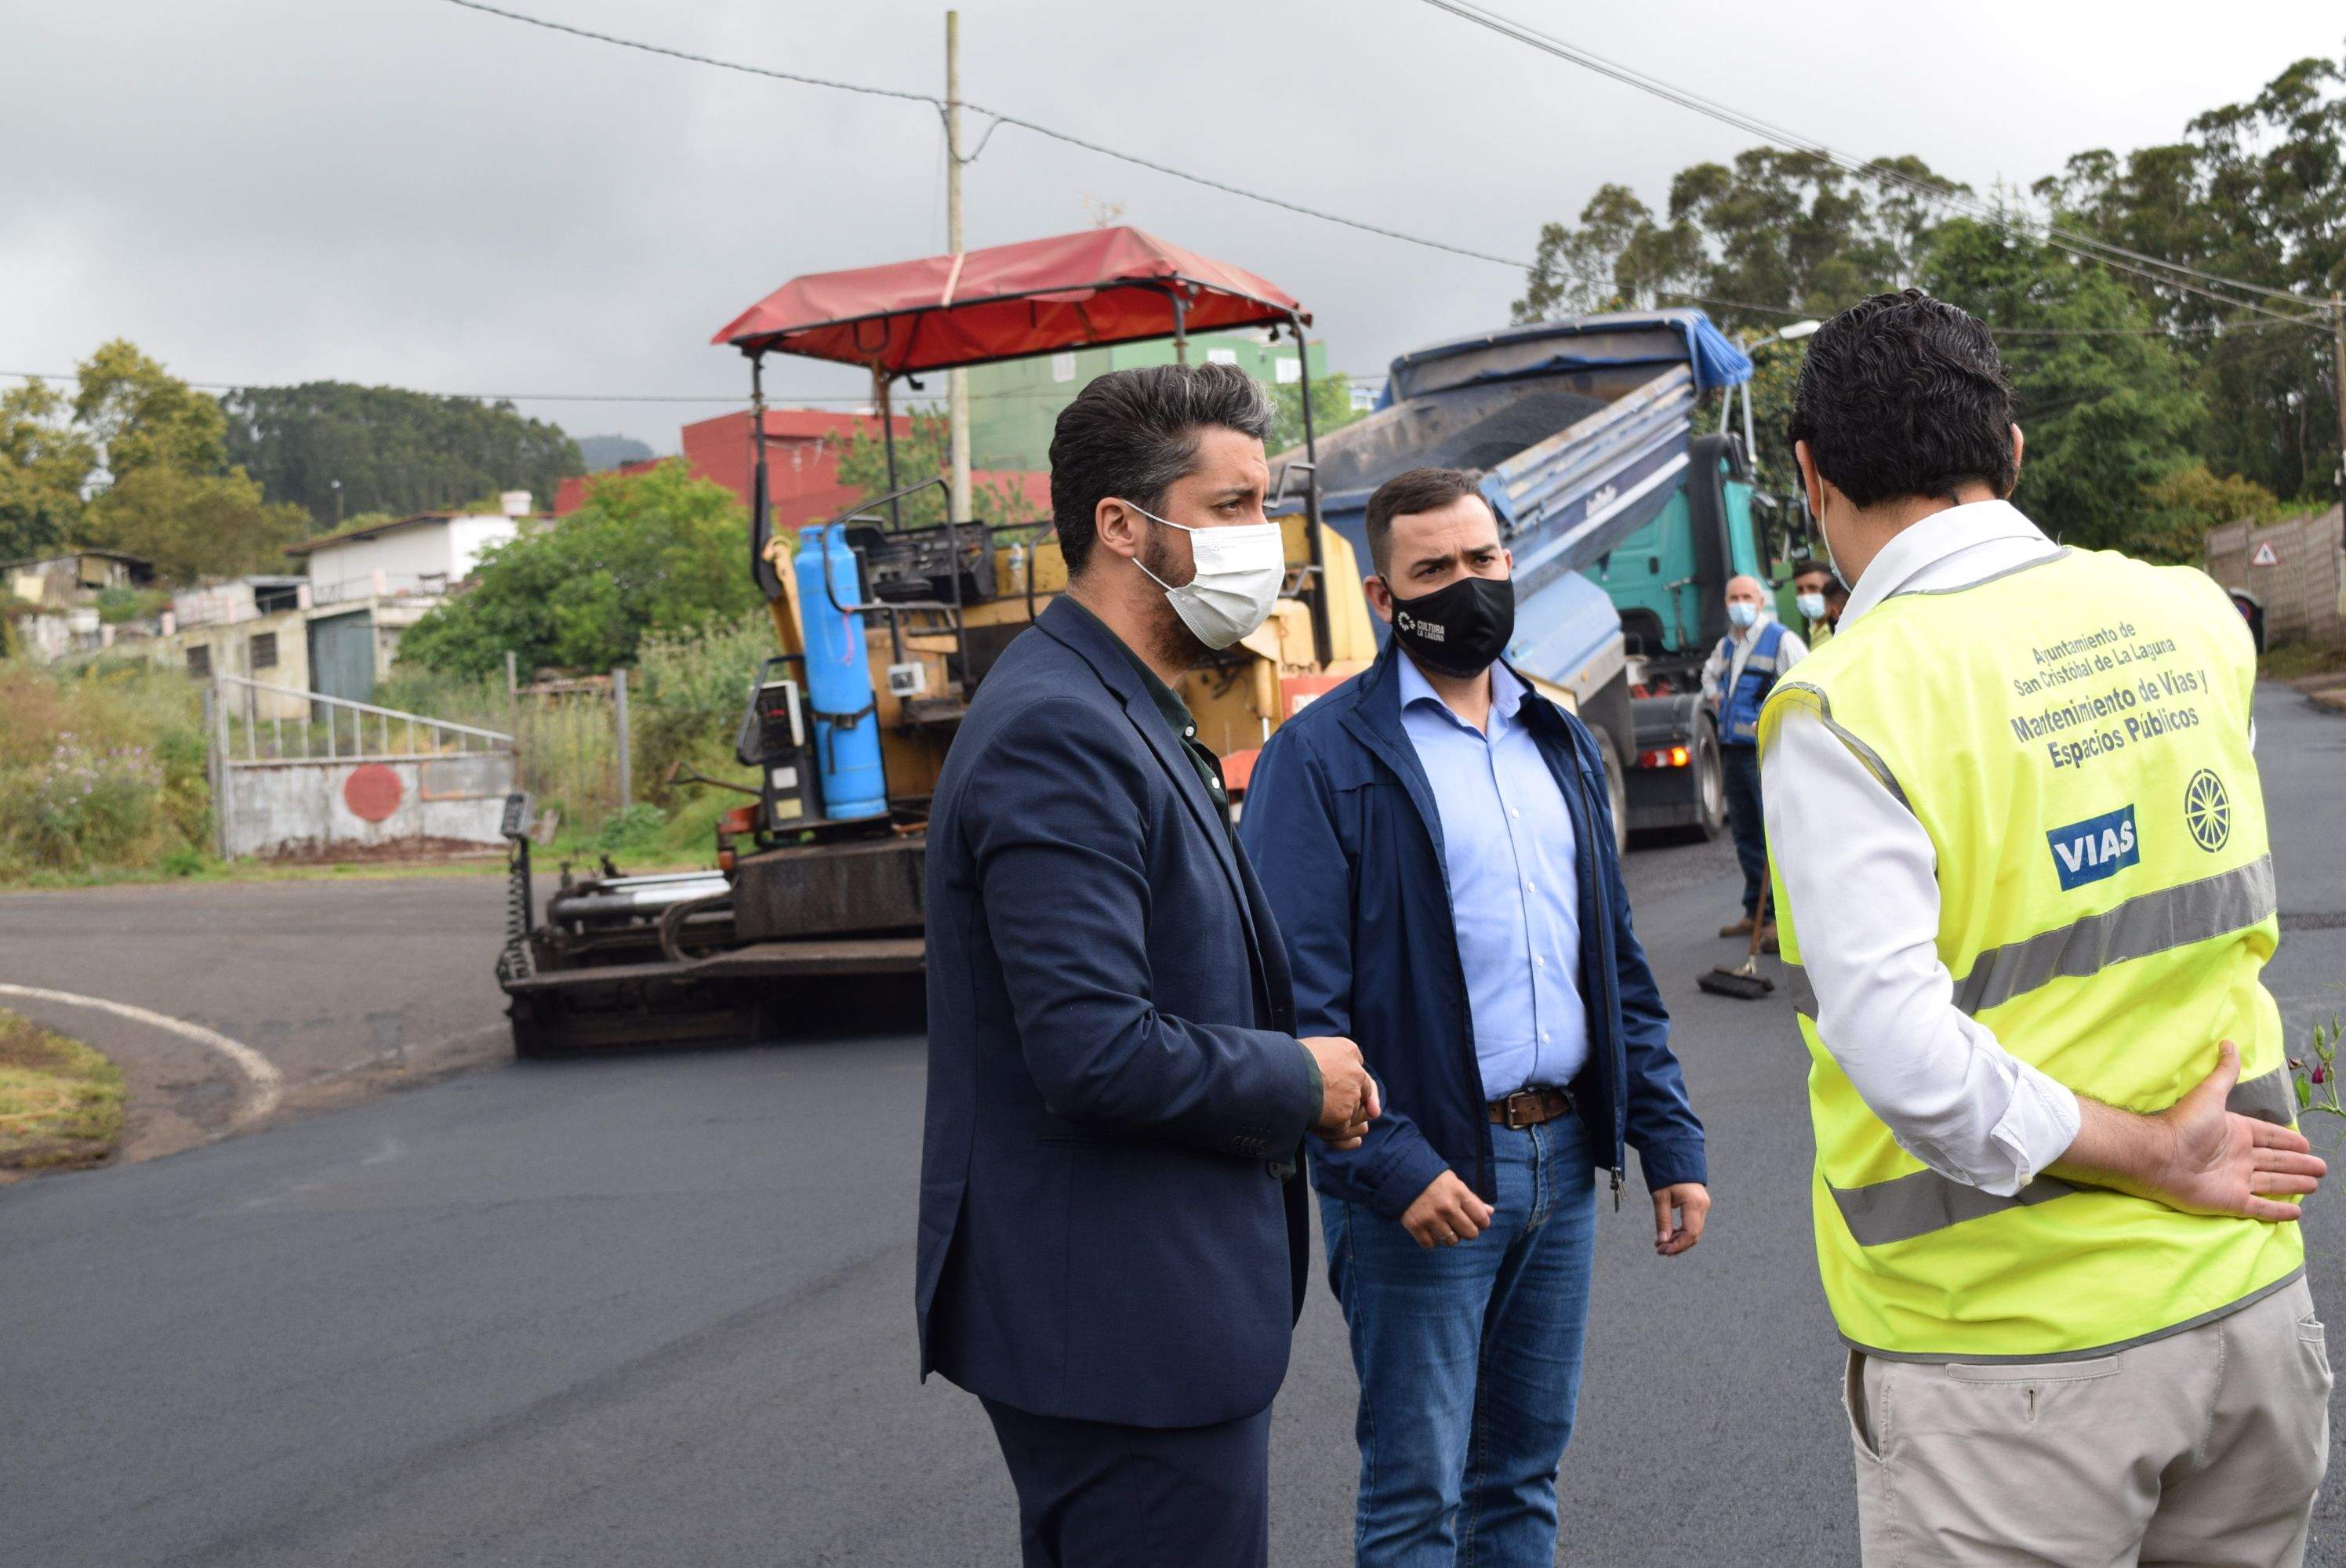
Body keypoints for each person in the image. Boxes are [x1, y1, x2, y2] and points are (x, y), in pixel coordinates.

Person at [1761, 289, 2329, 1566]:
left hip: (2004, 1371)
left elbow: (1901, 1053)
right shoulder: (2190, 617)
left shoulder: (1849, 698)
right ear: (2009, 447)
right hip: (2245, 1309)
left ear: (1809, 475)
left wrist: (2144, 1153)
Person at [916, 362, 1382, 1568]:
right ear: (1122, 526)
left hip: (1143, 1320)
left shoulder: (1121, 700)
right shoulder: (1060, 729)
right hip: (1123, 1335)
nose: (1264, 541)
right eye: (1230, 508)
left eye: (1265, 505)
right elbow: (1092, 1047)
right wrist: (1302, 1079)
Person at [1240, 466, 1709, 1567]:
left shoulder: (1552, 734)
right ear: (1381, 592)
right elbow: (1291, 1004)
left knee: (1523, 1480)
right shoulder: (1324, 760)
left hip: (1561, 1156)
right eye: (1434, 570)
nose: (1468, 585)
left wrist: (1668, 1134)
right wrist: (1393, 1163)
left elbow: (1614, 962)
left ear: (1511, 559)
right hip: (1426, 1179)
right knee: (1418, 1498)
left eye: (1484, 559)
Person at [1700, 573, 1804, 944]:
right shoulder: (1728, 645)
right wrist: (1715, 697)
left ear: (1760, 602)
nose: (1740, 603)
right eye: (1733, 597)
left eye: (1746, 596)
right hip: (1733, 750)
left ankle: (1780, 918)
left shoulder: (1782, 640)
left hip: (1765, 753)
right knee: (1745, 833)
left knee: (1772, 835)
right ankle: (1754, 912)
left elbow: (1801, 685)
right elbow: (1708, 676)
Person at [1789, 555, 1846, 645]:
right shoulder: (1813, 632)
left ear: (1830, 590)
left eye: (1813, 588)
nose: (1805, 595)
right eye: (1800, 589)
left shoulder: (1842, 631)